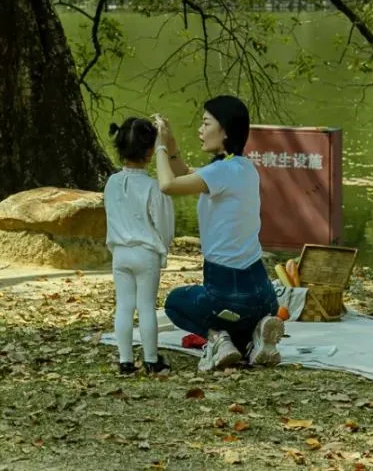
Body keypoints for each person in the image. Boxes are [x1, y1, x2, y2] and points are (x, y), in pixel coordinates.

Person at [153, 96, 282, 372]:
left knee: (175, 303)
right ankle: (255, 335)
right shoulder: (243, 168)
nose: (200, 129)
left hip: (228, 292)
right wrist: (173, 147)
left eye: (205, 123)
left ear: (224, 131)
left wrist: (160, 147)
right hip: (264, 295)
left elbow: (167, 185)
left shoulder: (220, 172)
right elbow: (185, 173)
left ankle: (219, 338)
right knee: (236, 314)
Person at [104, 115, 175, 377]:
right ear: (150, 152)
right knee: (146, 306)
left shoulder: (111, 183)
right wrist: (163, 247)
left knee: (123, 305)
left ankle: (124, 361)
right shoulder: (153, 187)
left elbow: (111, 216)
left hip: (120, 253)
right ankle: (151, 359)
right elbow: (164, 225)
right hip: (145, 254)